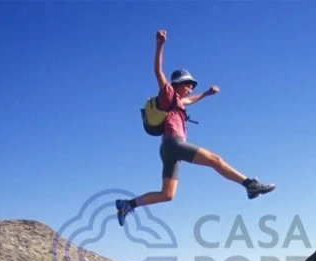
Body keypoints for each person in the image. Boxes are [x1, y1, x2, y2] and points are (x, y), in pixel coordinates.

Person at [116, 29, 276, 226]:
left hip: (168, 150)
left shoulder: (178, 101)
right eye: (187, 84)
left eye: (192, 85)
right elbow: (158, 72)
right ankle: (250, 185)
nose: (190, 87)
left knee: (167, 194)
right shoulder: (168, 94)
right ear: (177, 84)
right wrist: (159, 45)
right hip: (174, 144)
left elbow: (190, 100)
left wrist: (206, 94)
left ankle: (128, 204)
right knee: (215, 160)